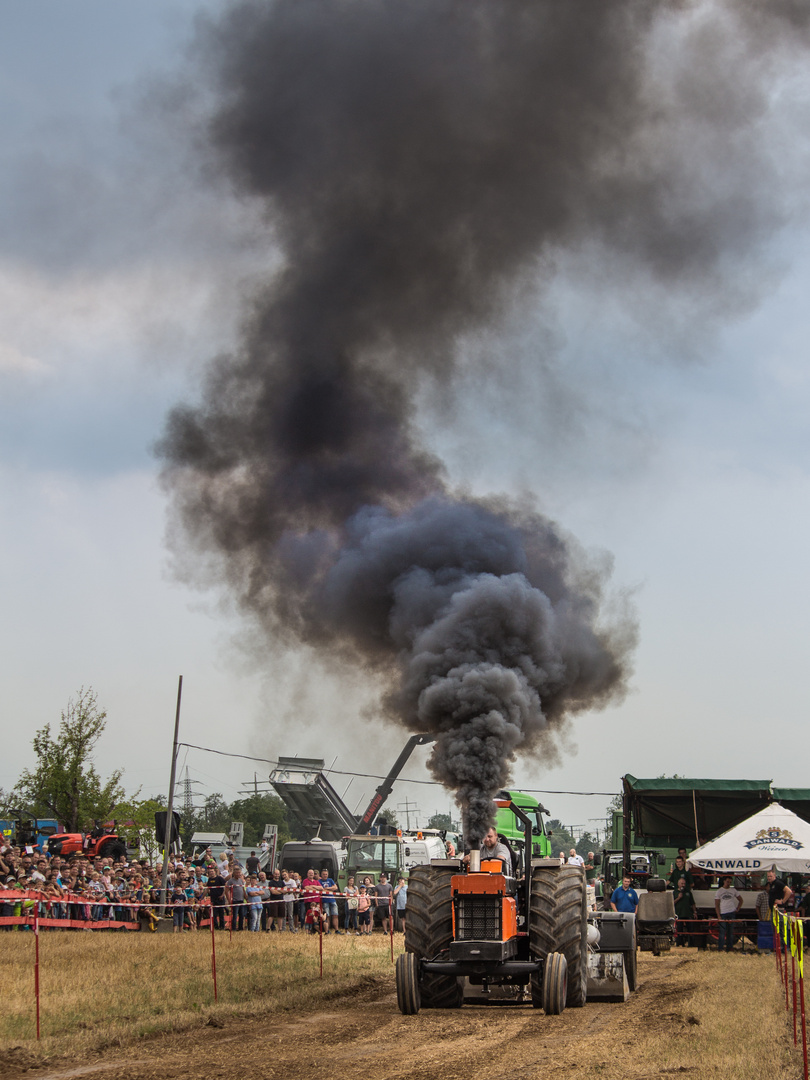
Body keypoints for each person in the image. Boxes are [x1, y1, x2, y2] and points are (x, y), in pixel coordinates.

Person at [714, 875, 742, 952]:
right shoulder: (719, 891)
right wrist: (718, 915)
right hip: (723, 913)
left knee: (730, 932)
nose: (728, 883)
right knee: (722, 932)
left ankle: (729, 947)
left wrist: (738, 908)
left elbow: (740, 899)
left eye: (730, 882)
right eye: (727, 882)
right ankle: (720, 948)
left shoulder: (733, 890)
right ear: (724, 881)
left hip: (731, 912)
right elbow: (716, 904)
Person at [673, 876, 697, 946]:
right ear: (678, 884)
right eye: (682, 883)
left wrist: (695, 912)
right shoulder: (675, 892)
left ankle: (691, 945)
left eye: (684, 883)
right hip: (679, 914)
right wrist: (678, 898)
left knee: (691, 931)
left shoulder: (688, 892)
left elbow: (692, 903)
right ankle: (680, 944)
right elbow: (672, 903)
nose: (683, 885)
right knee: (679, 931)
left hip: (688, 914)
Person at [319, 867, 342, 934]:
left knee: (335, 915)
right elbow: (321, 890)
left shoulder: (330, 880)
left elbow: (335, 887)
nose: (325, 875)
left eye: (326, 874)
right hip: (324, 900)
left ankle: (336, 930)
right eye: (323, 874)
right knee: (327, 916)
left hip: (332, 900)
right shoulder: (319, 881)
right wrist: (329, 889)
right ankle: (327, 930)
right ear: (321, 875)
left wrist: (327, 888)